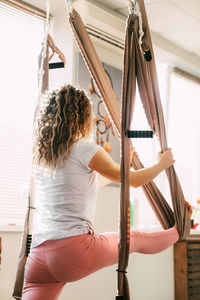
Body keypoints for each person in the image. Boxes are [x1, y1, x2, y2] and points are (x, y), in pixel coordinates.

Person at [22, 84, 181, 300]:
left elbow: (88, 184)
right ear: (81, 115)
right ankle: (179, 231)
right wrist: (162, 164)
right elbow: (131, 182)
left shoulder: (45, 156)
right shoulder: (83, 148)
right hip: (72, 250)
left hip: (39, 258)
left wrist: (128, 166)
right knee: (134, 239)